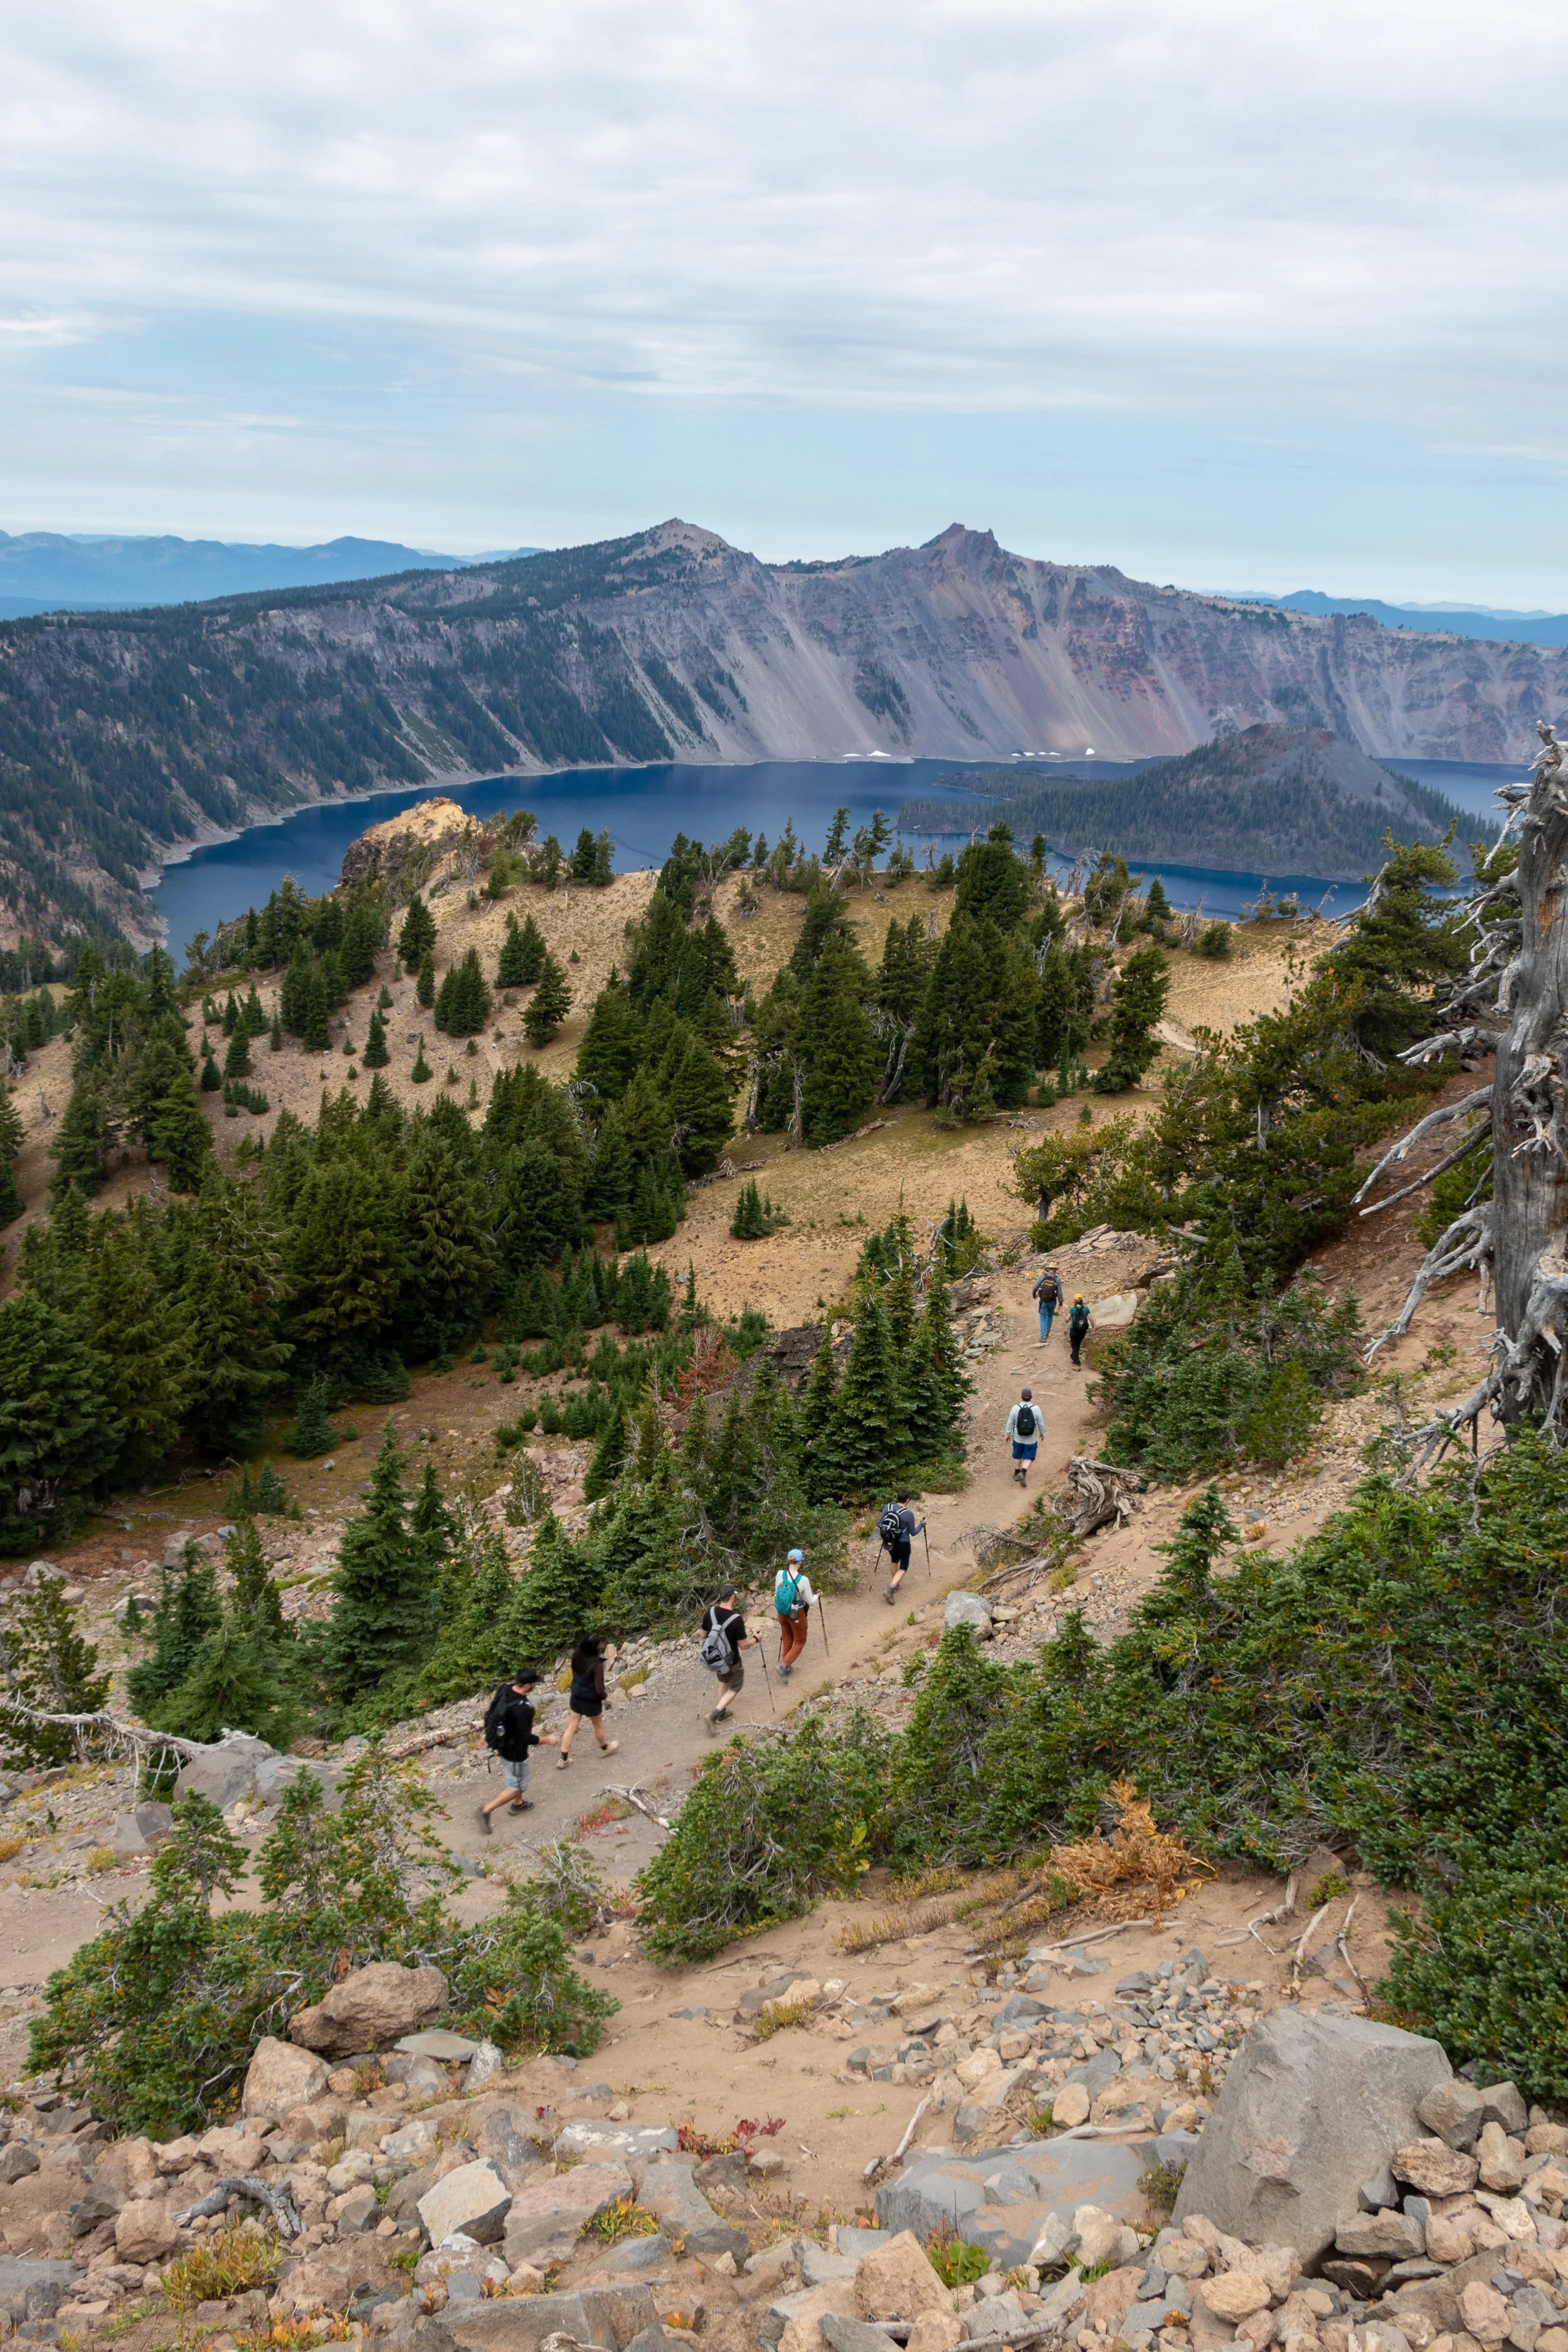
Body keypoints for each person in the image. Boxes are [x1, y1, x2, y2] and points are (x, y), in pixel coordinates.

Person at [478, 1666, 558, 1831]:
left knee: (516, 1777)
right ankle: (486, 1810)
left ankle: (518, 1804)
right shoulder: (524, 1709)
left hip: (501, 1743)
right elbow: (527, 1738)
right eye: (534, 1683)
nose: (535, 1685)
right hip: (515, 1752)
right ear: (528, 1685)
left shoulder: (505, 1688)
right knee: (518, 1787)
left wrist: (487, 1735)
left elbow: (493, 1711)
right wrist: (548, 1739)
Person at [557, 1633, 620, 1767]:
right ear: (595, 1647)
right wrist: (604, 1696)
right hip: (591, 1700)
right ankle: (605, 1748)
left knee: (572, 1727)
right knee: (598, 1726)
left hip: (576, 1697)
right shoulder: (596, 1665)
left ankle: (563, 1758)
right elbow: (599, 1688)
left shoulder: (577, 1656)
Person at [699, 1582, 756, 1725]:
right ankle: (715, 1713)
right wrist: (756, 1639)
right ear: (732, 1597)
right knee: (735, 1686)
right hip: (732, 1660)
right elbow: (744, 1645)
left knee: (723, 1681)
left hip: (716, 1659)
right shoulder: (736, 1618)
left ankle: (722, 1714)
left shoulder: (710, 1613)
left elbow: (702, 1635)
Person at [774, 1549, 815, 1677]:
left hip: (782, 1612)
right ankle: (784, 1665)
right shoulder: (803, 1580)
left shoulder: (781, 1574)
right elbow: (811, 1601)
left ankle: (786, 1667)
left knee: (787, 1637)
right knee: (800, 1641)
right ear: (800, 1562)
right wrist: (818, 1595)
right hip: (796, 1613)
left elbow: (777, 1591)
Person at [879, 1491, 923, 1603]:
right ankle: (891, 1588)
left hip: (890, 1541)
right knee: (903, 1567)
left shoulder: (888, 1507)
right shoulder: (908, 1514)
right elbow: (913, 1532)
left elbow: (879, 1524)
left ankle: (896, 1584)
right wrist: (922, 1525)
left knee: (894, 1560)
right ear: (908, 1500)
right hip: (903, 1543)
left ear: (897, 1497)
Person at [1005, 1387, 1041, 1486]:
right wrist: (1042, 1434)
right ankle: (1023, 1472)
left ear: (1021, 1397)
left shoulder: (1016, 1408)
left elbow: (1010, 1423)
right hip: (1031, 1439)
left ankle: (1017, 1473)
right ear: (1031, 1397)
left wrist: (1008, 1434)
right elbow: (1041, 1424)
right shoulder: (1036, 1409)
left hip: (1018, 1438)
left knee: (1018, 1455)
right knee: (1029, 1456)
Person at [1032, 1264, 1064, 1343]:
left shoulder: (1043, 1276)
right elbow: (1060, 1293)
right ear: (1056, 1270)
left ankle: (1043, 1336)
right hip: (1052, 1301)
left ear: (1049, 1269)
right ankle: (1047, 1333)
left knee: (1043, 1317)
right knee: (1050, 1316)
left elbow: (1035, 1287)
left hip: (1043, 1301)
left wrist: (1034, 1294)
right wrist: (1061, 1303)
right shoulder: (1058, 1279)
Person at [1067, 1293, 1092, 1368]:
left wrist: (1067, 1320)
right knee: (1077, 1344)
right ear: (1082, 1300)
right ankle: (1073, 1356)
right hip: (1083, 1330)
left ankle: (1077, 1362)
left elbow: (1067, 1318)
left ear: (1075, 1301)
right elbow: (1091, 1318)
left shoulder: (1073, 1309)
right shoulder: (1086, 1309)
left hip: (1074, 1330)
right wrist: (1093, 1327)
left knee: (1074, 1346)